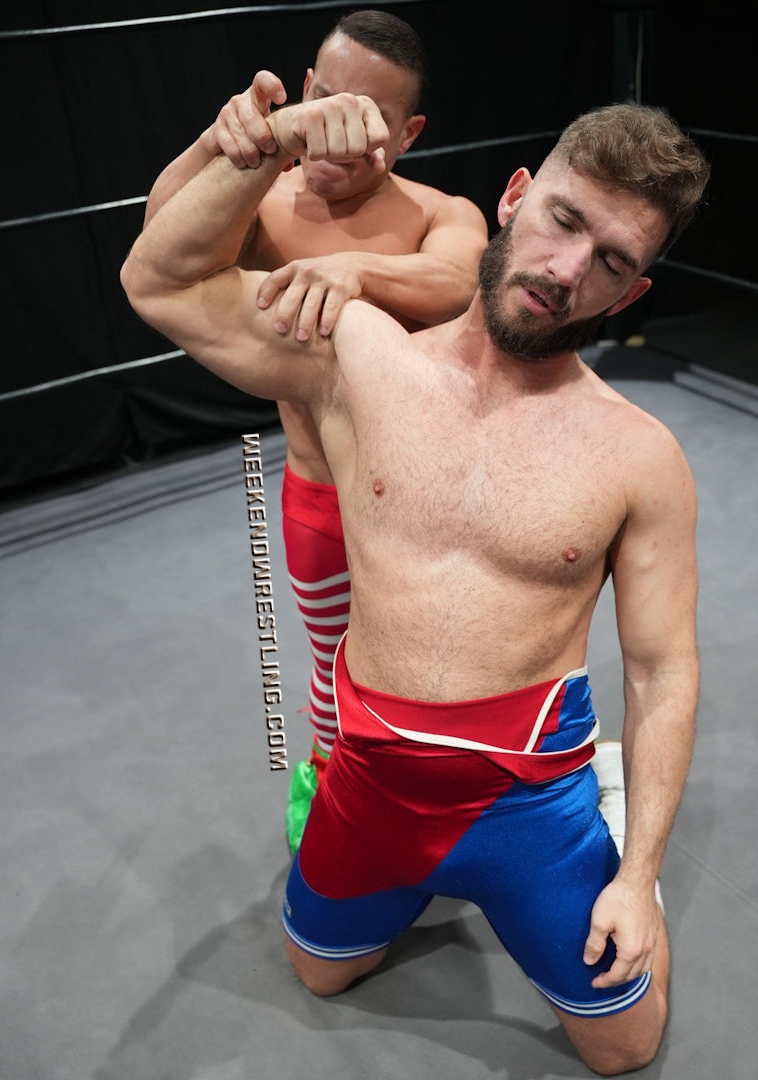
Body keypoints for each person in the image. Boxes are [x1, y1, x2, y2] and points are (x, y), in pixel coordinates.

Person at [122, 89, 708, 1073]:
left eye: (612, 261)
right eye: (564, 219)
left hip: (530, 804)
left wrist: (636, 876)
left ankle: (605, 834)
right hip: (370, 779)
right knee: (321, 974)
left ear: (630, 294)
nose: (568, 271)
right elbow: (159, 280)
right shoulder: (357, 358)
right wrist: (268, 148)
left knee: (624, 1048)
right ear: (515, 197)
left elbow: (661, 668)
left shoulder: (641, 457)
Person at [142, 10, 488, 851]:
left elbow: (455, 279)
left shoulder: (438, 213)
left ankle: (456, 809)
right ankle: (333, 795)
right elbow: (161, 241)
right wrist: (226, 143)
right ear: (303, 91)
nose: (334, 132)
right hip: (322, 498)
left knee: (443, 668)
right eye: (324, 102)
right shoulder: (260, 203)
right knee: (333, 669)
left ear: (408, 133)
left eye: (363, 118)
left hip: (426, 508)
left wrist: (353, 269)